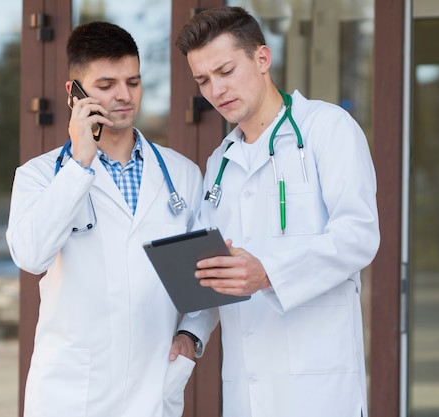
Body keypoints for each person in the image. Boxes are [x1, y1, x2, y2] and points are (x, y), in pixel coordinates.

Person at [174, 6, 380, 417]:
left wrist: (268, 272)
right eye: (203, 80)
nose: (216, 90)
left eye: (226, 71)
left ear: (262, 59)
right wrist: (189, 335)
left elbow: (358, 237)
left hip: (320, 389)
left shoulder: (326, 128)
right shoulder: (219, 164)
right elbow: (212, 271)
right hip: (245, 393)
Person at [6, 21, 208, 417]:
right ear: (74, 94)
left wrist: (191, 334)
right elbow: (31, 256)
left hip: (154, 387)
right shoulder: (40, 175)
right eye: (106, 85)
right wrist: (79, 164)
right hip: (71, 392)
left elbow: (202, 277)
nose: (123, 96)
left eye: (132, 82)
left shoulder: (181, 174)